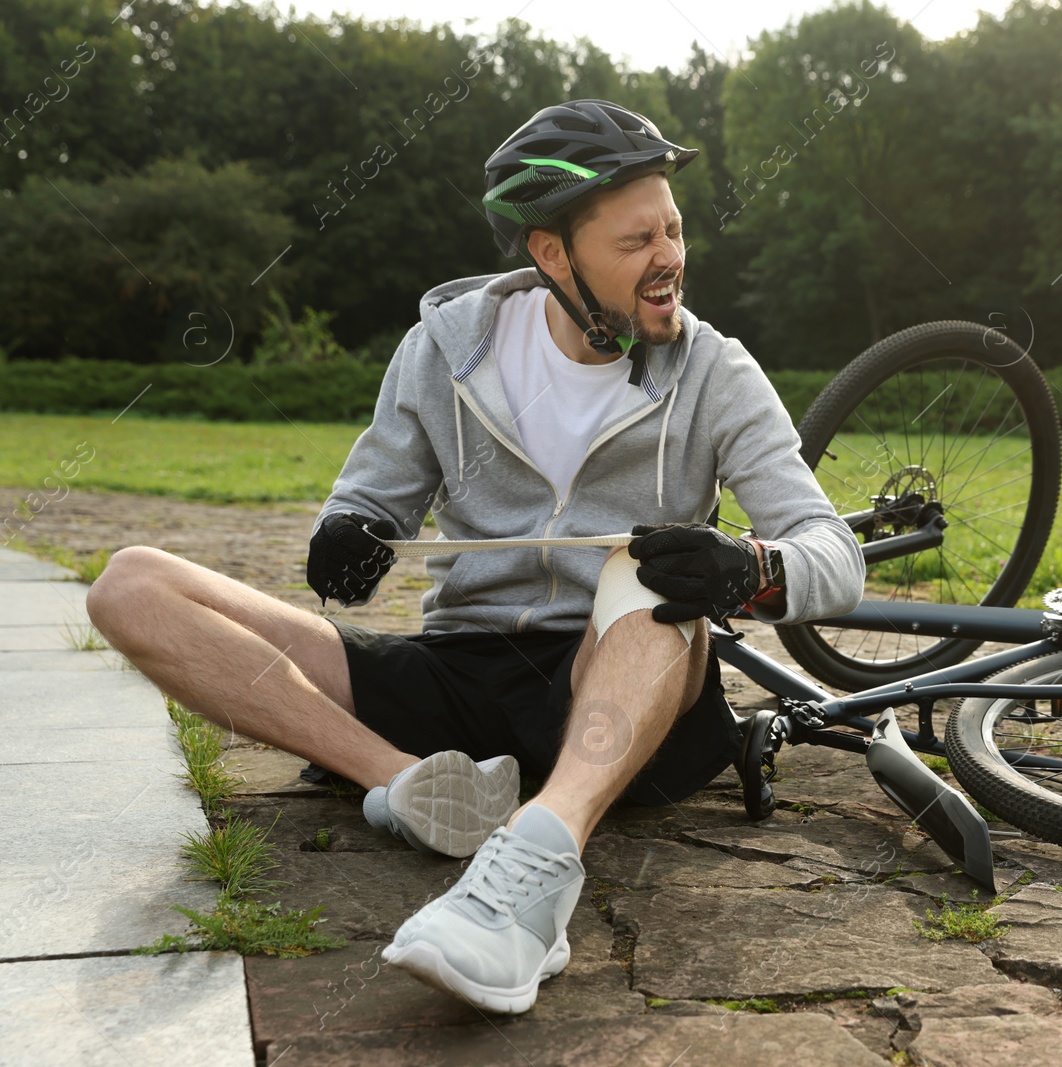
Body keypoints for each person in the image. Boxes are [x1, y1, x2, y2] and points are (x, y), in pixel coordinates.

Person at [86, 98, 864, 1015]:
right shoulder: (443, 350)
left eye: (675, 230)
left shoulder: (714, 371)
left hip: (622, 683)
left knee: (648, 582)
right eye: (637, 240)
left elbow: (834, 556)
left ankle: (537, 867)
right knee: (128, 582)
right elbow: (373, 496)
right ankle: (409, 785)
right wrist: (348, 535)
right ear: (551, 254)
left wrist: (747, 567)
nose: (670, 260)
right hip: (458, 679)